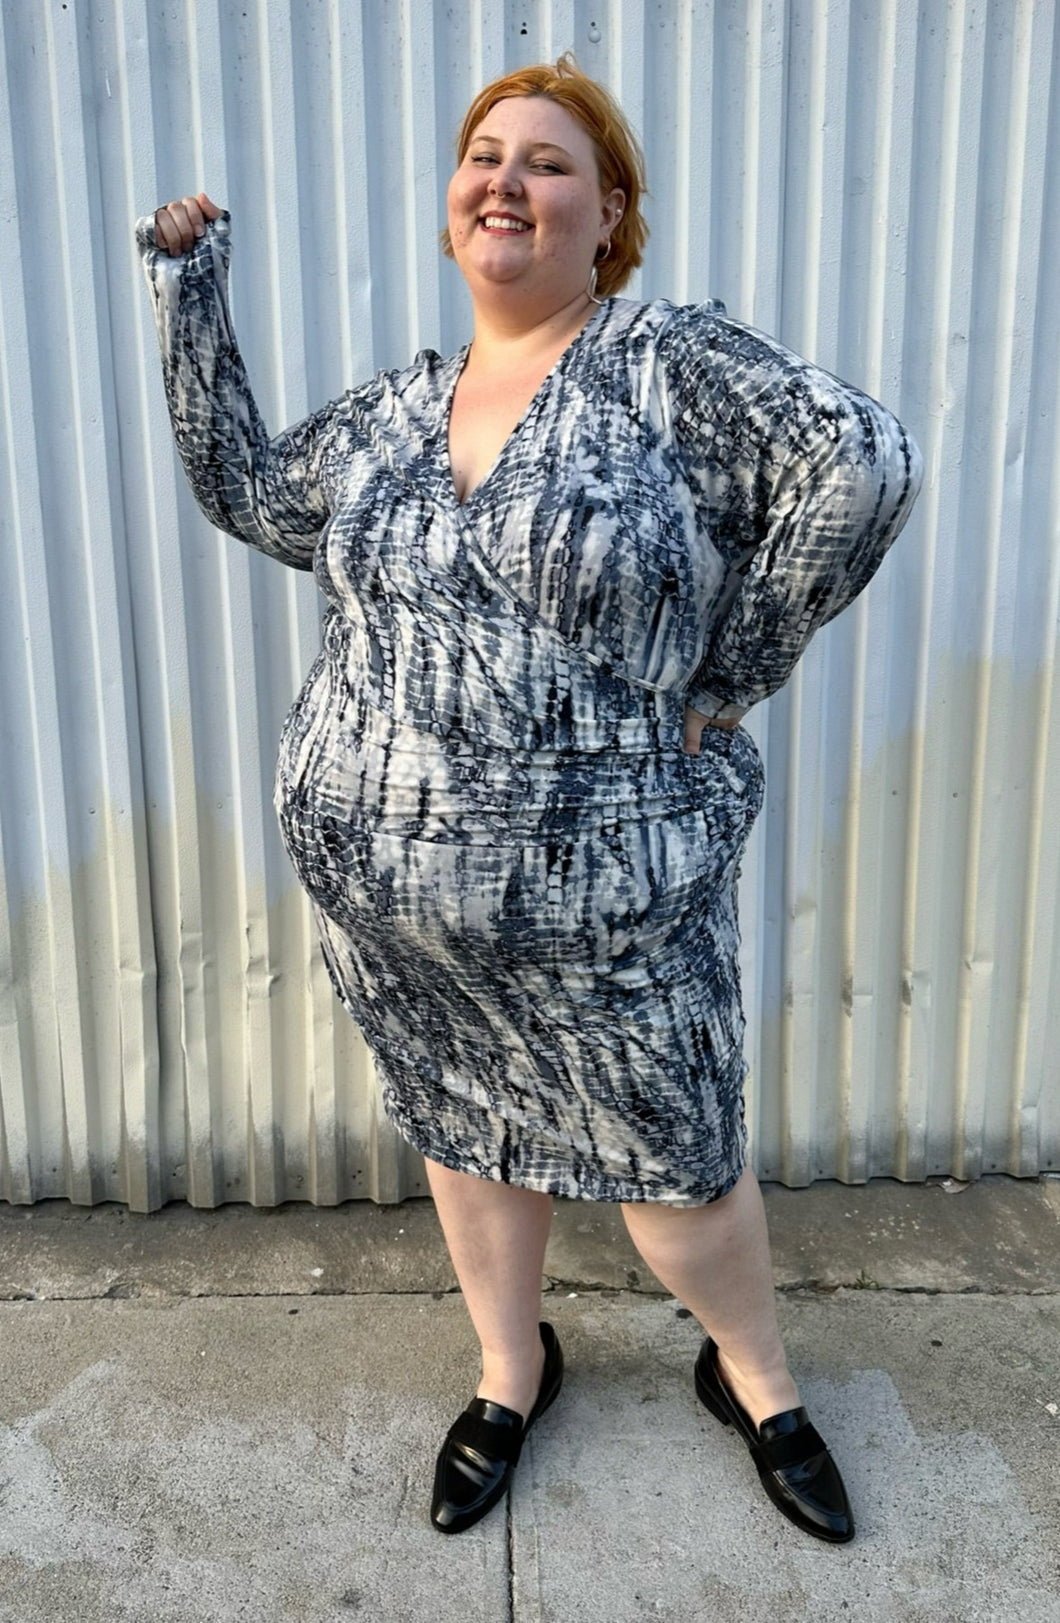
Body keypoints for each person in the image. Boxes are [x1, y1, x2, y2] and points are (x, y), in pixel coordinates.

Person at [138, 54, 921, 1546]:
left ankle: (753, 1378)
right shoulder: (390, 411)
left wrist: (730, 671)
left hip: (618, 910)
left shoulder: (661, 365)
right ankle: (512, 1370)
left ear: (607, 209)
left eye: (549, 161)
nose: (507, 178)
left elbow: (864, 463)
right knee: (464, 1136)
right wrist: (189, 293)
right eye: (484, 155)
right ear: (453, 210)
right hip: (395, 910)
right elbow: (247, 488)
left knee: (680, 1173)